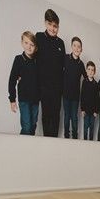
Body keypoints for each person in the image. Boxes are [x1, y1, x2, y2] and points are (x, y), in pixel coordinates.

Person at [35, 8, 65, 137]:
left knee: (56, 117)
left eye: (56, 26)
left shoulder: (61, 43)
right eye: (51, 25)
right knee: (46, 116)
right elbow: (32, 57)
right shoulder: (39, 37)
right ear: (45, 23)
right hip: (44, 87)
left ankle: (55, 144)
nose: (53, 29)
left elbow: (64, 67)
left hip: (57, 88)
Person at [7, 31, 40, 135]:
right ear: (22, 43)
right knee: (27, 126)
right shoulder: (18, 60)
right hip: (24, 99)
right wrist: (12, 99)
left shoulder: (37, 61)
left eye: (32, 44)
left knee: (33, 125)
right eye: (26, 43)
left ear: (35, 47)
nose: (29, 47)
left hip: (35, 99)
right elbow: (12, 80)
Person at [62, 37, 87, 139]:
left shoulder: (81, 64)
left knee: (74, 118)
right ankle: (66, 137)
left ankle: (75, 138)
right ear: (71, 47)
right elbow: (57, 70)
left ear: (81, 49)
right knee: (67, 117)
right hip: (66, 95)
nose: (77, 48)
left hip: (76, 97)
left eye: (79, 47)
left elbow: (86, 78)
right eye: (75, 46)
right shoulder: (65, 58)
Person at [80, 61, 100, 141]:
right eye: (89, 69)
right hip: (86, 111)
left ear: (94, 72)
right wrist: (82, 109)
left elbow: (97, 99)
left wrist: (96, 111)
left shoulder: (96, 84)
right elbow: (82, 96)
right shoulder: (84, 82)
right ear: (86, 71)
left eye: (92, 70)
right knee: (85, 129)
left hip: (93, 112)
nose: (91, 72)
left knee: (91, 129)